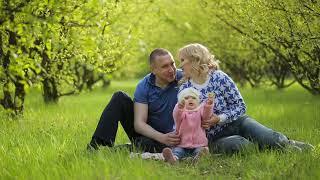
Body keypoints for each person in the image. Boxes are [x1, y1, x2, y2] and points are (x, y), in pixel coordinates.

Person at [177, 43, 314, 154]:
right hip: (213, 137)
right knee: (243, 146)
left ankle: (286, 144)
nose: (180, 65)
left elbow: (240, 106)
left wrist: (219, 118)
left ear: (196, 59)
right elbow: (184, 119)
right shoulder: (185, 89)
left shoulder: (219, 77)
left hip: (238, 122)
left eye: (183, 60)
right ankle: (270, 148)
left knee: (268, 138)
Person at [87, 48, 182, 153]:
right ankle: (95, 146)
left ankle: (115, 151)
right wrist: (161, 137)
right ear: (153, 70)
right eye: (165, 66)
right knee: (119, 97)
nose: (171, 69)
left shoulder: (183, 78)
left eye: (172, 64)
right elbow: (139, 124)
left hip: (172, 138)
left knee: (147, 145)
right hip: (149, 133)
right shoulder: (144, 86)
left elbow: (202, 86)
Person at [162, 88, 213, 164]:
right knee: (178, 151)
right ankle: (173, 159)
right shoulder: (182, 114)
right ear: (181, 101)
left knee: (200, 151)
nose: (190, 100)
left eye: (194, 98)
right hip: (182, 144)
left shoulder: (200, 112)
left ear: (198, 102)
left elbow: (206, 115)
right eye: (186, 98)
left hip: (199, 144)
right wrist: (179, 106)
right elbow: (176, 114)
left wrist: (208, 105)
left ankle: (198, 159)